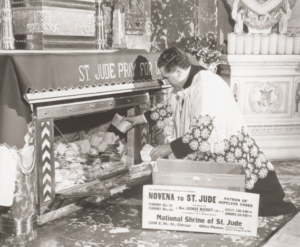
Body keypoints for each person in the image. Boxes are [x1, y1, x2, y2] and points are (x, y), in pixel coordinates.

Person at [125, 47, 297, 217]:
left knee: (253, 195)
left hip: (227, 142)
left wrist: (168, 147)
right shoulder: (187, 80)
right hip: (207, 141)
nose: (167, 81)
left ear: (177, 72)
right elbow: (169, 107)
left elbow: (201, 134)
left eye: (167, 77)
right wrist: (140, 119)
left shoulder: (205, 84)